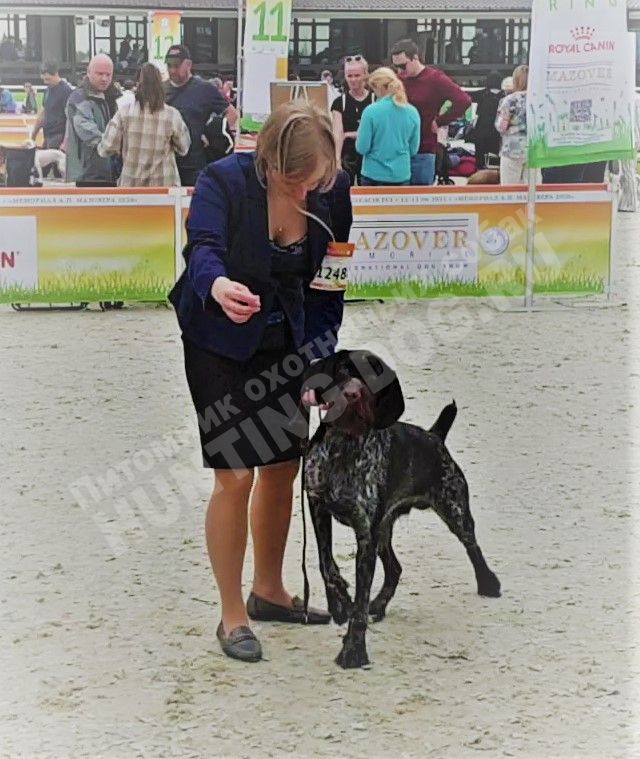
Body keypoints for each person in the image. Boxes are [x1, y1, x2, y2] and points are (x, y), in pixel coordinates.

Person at [168, 100, 353, 663]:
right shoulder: (222, 180)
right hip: (217, 339)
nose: (307, 192)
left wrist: (319, 362)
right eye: (296, 181)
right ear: (269, 161)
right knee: (235, 475)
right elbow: (202, 248)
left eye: (316, 181)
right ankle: (232, 615)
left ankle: (269, 590)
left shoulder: (333, 193)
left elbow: (330, 286)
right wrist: (217, 286)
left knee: (282, 467)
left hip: (287, 339)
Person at [390, 38, 471, 186]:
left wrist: (440, 121)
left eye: (402, 66)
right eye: (396, 67)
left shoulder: (435, 78)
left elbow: (463, 100)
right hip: (398, 148)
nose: (400, 71)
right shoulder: (398, 80)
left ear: (415, 58)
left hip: (423, 147)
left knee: (420, 195)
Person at [98, 62, 190, 187]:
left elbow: (105, 148)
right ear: (160, 85)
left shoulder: (124, 113)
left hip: (132, 189)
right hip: (164, 189)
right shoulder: (172, 115)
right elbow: (184, 148)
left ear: (137, 85)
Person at [163, 44, 238, 186]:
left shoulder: (205, 89)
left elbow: (232, 114)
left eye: (176, 66)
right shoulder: (162, 90)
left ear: (188, 65)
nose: (172, 70)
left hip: (195, 166)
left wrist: (213, 133)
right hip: (168, 165)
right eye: (169, 66)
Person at [355, 67, 420, 186]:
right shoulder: (413, 112)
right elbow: (413, 149)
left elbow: (362, 148)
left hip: (373, 174)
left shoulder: (370, 111)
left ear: (378, 87)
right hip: (401, 174)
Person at [65, 53, 119, 183]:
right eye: (100, 73)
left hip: (105, 171)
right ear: (88, 72)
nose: (104, 78)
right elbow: (88, 133)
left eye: (108, 74)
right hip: (85, 174)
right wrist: (116, 146)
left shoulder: (111, 97)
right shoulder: (79, 99)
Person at [330, 54, 376, 185]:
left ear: (365, 75)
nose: (353, 80)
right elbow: (337, 132)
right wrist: (337, 160)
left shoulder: (375, 100)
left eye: (357, 75)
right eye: (349, 76)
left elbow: (378, 131)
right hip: (347, 155)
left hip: (370, 155)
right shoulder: (339, 102)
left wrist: (350, 134)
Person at [495, 64, 530, 185]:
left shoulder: (509, 100)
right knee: (532, 188)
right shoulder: (538, 99)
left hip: (512, 149)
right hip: (534, 149)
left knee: (509, 189)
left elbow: (501, 126)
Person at [31, 61, 73, 149]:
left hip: (59, 137)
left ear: (56, 74)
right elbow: (43, 114)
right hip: (48, 136)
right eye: (43, 79)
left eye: (48, 79)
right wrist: (33, 136)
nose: (45, 82)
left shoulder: (66, 92)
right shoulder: (47, 91)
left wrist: (66, 143)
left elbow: (70, 118)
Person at [470, 72, 503, 170]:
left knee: (480, 155)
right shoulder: (505, 96)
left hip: (482, 129)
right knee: (496, 155)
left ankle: (480, 171)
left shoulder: (481, 94)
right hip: (497, 129)